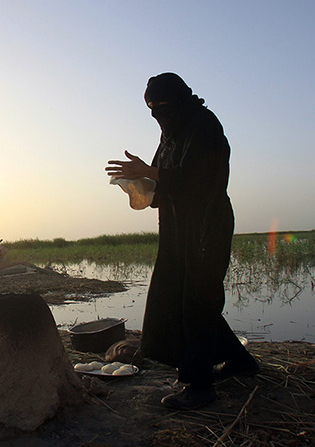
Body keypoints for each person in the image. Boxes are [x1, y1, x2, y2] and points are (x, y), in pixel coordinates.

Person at [106, 73, 258, 410]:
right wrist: (138, 179)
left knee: (197, 303)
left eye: (160, 106)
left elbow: (199, 179)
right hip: (177, 228)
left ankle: (199, 386)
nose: (155, 114)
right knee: (180, 298)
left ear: (177, 100)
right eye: (150, 108)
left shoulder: (203, 125)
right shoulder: (171, 135)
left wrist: (152, 172)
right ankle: (241, 362)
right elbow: (165, 185)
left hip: (206, 226)